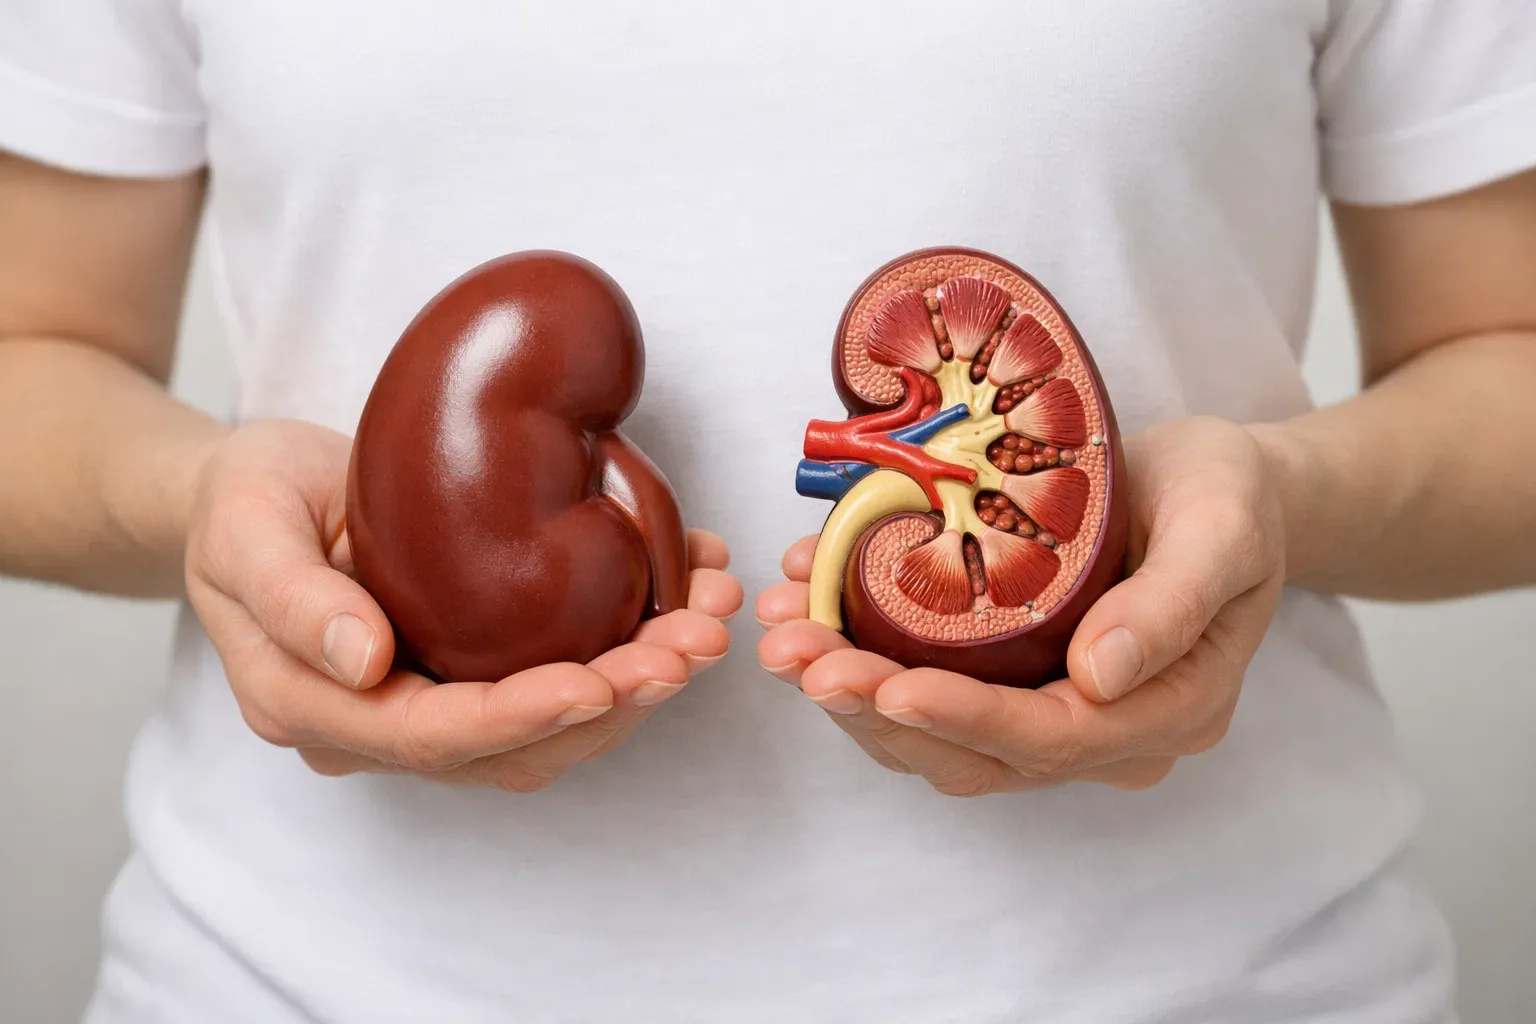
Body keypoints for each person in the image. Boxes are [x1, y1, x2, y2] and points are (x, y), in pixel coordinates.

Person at [2, 2, 1533, 1021]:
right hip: (300, 984)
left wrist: (1288, 491)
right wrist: (199, 499)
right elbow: (31, 349)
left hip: (1221, 982)